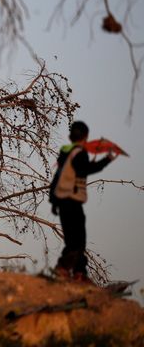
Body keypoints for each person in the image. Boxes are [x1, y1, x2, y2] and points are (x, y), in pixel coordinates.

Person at [49, 120, 117, 283]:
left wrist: (53, 201)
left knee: (73, 239)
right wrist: (107, 159)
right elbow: (84, 169)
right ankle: (67, 269)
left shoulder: (66, 154)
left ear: (70, 136)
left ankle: (78, 272)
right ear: (86, 137)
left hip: (62, 200)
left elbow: (58, 178)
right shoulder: (80, 152)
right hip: (72, 201)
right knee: (78, 239)